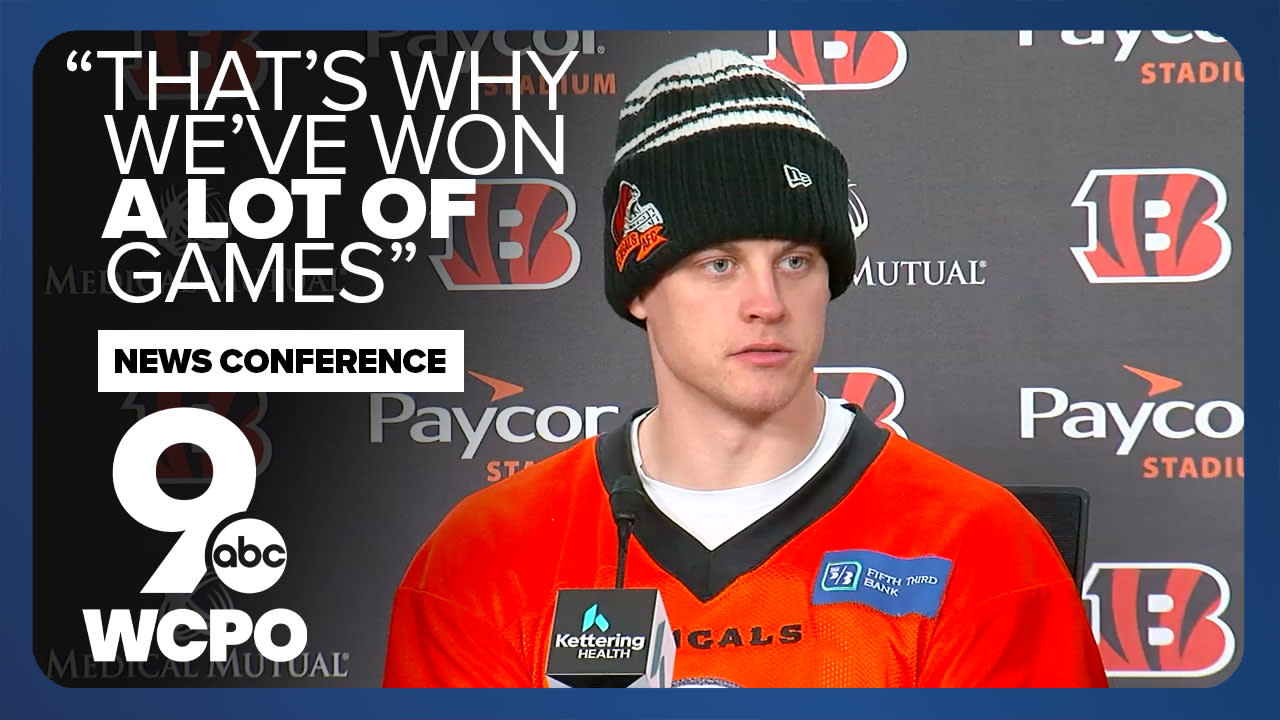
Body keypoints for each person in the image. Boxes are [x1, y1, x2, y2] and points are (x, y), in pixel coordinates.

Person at [383, 48, 1108, 688]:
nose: (767, 302)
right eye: (717, 263)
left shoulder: (981, 551)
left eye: (796, 260)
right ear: (640, 288)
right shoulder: (486, 559)